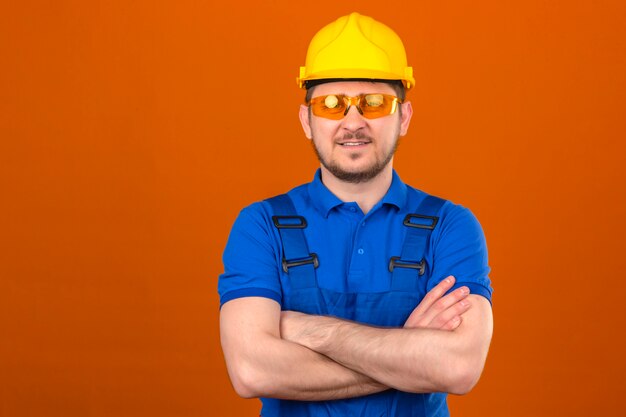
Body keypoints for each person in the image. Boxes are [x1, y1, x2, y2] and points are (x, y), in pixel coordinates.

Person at [218, 12, 493, 417]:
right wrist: (409, 351)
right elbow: (251, 370)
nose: (353, 121)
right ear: (306, 121)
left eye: (374, 102)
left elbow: (458, 367)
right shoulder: (261, 226)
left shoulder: (451, 227)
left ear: (405, 117)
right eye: (330, 104)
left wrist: (309, 330)